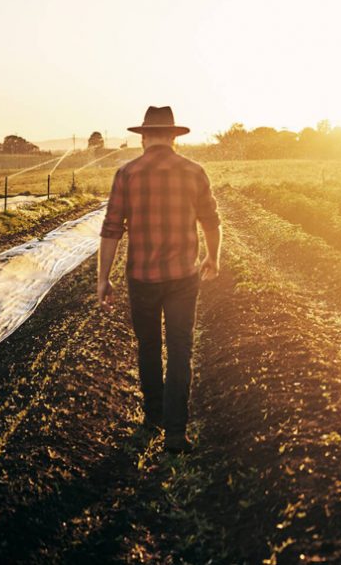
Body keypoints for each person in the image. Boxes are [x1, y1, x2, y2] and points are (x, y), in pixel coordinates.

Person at [97, 106, 221, 453]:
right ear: (173, 137)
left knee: (149, 347)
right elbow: (211, 221)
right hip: (184, 275)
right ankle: (176, 433)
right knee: (180, 348)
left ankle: (152, 419)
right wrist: (214, 257)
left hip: (141, 276)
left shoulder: (127, 173)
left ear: (143, 138)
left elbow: (111, 230)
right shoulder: (194, 172)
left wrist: (103, 279)